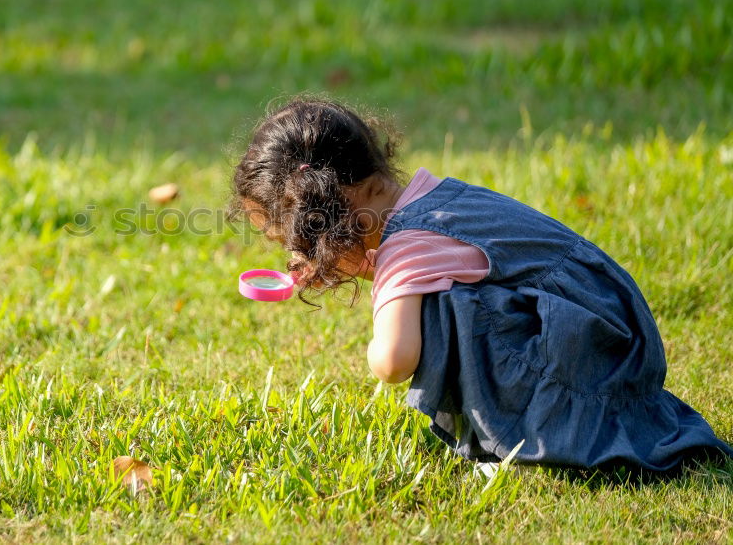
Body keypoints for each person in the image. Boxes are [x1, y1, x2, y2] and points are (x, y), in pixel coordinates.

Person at [229, 98, 732, 471]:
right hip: (612, 339)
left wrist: (387, 287)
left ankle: (520, 438)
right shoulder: (439, 199)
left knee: (440, 308)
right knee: (438, 296)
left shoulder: (409, 247)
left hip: (583, 370)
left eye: (303, 242)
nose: (302, 260)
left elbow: (393, 361)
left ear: (334, 216)